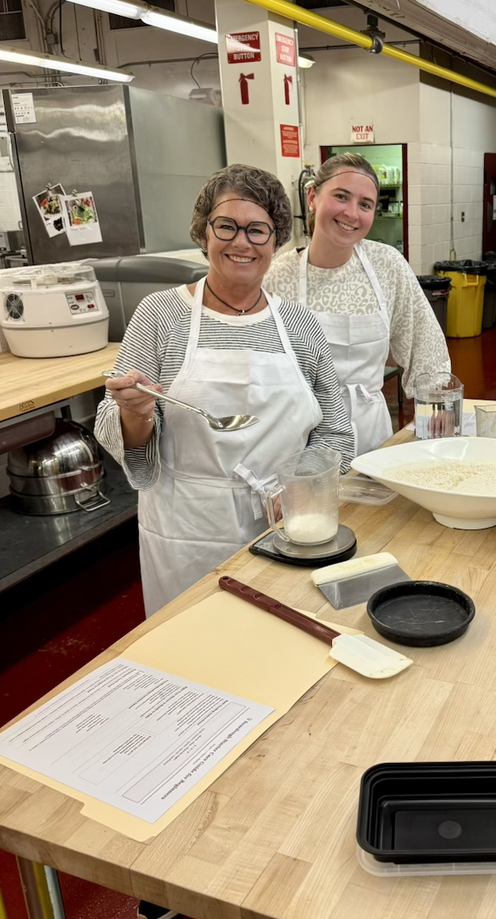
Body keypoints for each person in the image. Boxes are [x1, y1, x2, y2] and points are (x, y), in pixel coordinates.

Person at [96, 163, 355, 619]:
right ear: (204, 233)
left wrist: (301, 491)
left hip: (283, 526)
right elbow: (112, 428)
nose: (241, 242)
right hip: (186, 527)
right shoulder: (160, 316)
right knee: (190, 655)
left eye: (258, 230)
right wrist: (135, 413)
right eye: (226, 226)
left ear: (276, 242)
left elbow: (335, 432)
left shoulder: (299, 326)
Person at [265, 152, 451, 455]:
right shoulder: (275, 276)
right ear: (312, 196)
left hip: (371, 436)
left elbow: (425, 348)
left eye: (365, 204)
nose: (352, 213)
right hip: (298, 438)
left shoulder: (387, 265)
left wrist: (432, 415)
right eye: (341, 196)